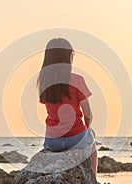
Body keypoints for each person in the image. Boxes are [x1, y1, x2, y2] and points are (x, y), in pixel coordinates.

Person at [37, 38, 98, 175]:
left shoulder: (44, 82)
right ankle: (93, 179)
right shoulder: (77, 80)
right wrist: (87, 128)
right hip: (76, 138)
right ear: (69, 57)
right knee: (92, 141)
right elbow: (88, 114)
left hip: (53, 142)